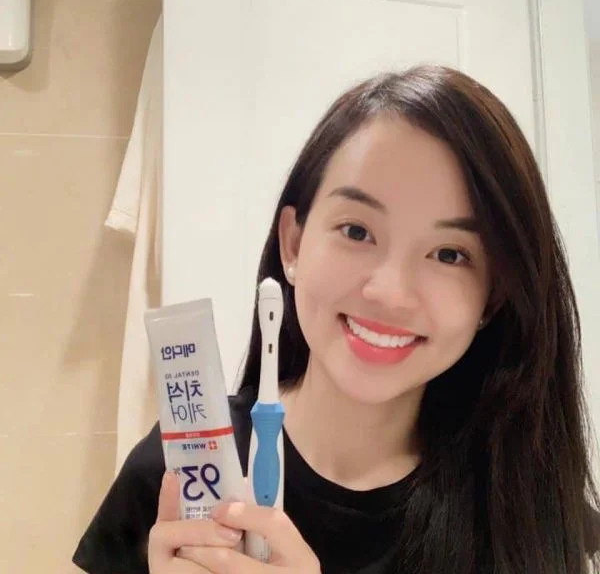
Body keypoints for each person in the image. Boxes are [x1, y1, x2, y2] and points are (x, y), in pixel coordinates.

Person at [73, 65, 600, 574]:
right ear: (294, 243)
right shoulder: (176, 476)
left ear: (493, 295)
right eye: (356, 231)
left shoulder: (534, 515)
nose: (390, 293)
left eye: (449, 254)